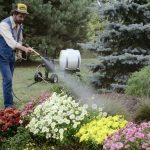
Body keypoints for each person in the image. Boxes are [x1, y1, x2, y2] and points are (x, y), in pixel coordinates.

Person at [0, 3, 33, 108]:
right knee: (8, 80)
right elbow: (11, 42)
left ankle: (10, 101)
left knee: (9, 80)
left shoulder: (20, 25)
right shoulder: (4, 25)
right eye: (20, 16)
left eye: (24, 16)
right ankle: (8, 106)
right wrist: (24, 49)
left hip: (11, 56)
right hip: (2, 56)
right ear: (14, 14)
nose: (22, 18)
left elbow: (19, 40)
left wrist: (18, 54)